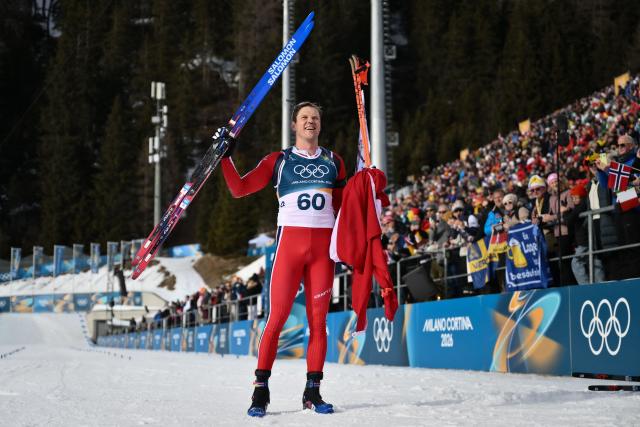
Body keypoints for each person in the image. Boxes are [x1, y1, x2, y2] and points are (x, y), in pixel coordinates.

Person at [219, 101, 346, 417]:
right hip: (289, 248)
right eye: (304, 117)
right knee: (276, 319)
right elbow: (239, 189)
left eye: (316, 117)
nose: (310, 122)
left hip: (322, 254)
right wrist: (224, 158)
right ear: (294, 125)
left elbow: (345, 209)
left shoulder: (334, 161)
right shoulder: (279, 160)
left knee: (319, 323)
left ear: (321, 124)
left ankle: (312, 392)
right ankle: (260, 391)